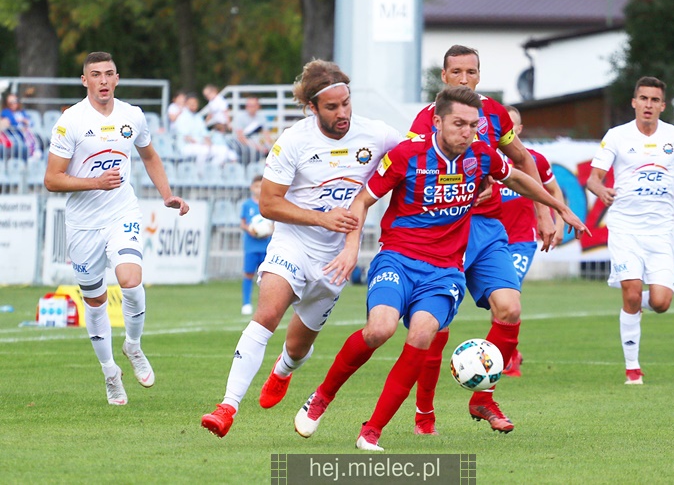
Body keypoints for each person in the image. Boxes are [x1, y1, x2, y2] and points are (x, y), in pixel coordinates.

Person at [293, 86, 589, 451]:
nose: (467, 133)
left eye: (473, 125)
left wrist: (559, 207)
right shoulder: (406, 155)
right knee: (379, 330)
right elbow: (363, 199)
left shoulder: (482, 155)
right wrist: (352, 248)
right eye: (458, 124)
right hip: (398, 259)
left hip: (445, 270)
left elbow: (517, 178)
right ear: (437, 121)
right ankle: (322, 396)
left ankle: (372, 430)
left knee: (421, 335)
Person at [200, 59, 403, 438]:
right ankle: (226, 407)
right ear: (312, 107)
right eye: (332, 107)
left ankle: (283, 370)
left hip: (335, 259)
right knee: (267, 315)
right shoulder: (293, 141)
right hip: (293, 243)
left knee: (296, 347)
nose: (342, 113)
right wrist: (322, 218)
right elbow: (269, 204)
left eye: (346, 103)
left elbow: (414, 156)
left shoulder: (377, 135)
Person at [406, 45, 557, 434]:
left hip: (488, 227)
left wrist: (544, 211)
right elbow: (417, 167)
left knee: (509, 308)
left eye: (470, 71)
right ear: (444, 76)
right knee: (436, 324)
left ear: (478, 75)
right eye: (455, 71)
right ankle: (425, 413)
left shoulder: (495, 113)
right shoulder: (427, 119)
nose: (463, 78)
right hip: (446, 228)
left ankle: (483, 399)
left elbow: (521, 159)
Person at [43, 51, 190, 405]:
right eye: (96, 75)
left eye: (109, 74)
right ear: (85, 81)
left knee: (131, 280)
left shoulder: (132, 116)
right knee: (94, 301)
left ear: (117, 78)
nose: (103, 81)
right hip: (82, 225)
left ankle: (133, 346)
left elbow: (150, 155)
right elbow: (52, 179)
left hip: (122, 212)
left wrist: (167, 194)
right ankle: (110, 372)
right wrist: (95, 182)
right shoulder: (70, 122)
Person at [586, 76, 674, 385]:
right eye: (644, 98)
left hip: (660, 231)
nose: (648, 105)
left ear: (662, 105)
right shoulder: (617, 136)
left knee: (662, 302)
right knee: (632, 291)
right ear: (634, 102)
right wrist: (600, 189)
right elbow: (593, 178)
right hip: (625, 228)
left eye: (655, 100)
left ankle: (635, 304)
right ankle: (632, 368)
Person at [497, 105, 566, 376]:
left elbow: (553, 190)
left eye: (512, 126)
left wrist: (558, 221)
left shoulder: (533, 160)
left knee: (508, 295)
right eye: (504, 126)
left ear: (520, 129)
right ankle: (511, 352)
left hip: (521, 240)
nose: (508, 130)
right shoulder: (487, 159)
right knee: (496, 301)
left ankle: (508, 359)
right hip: (491, 242)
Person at [173, 93, 236, 169]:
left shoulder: (198, 117)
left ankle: (211, 170)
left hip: (201, 145)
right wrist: (202, 143)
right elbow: (187, 138)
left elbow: (205, 134)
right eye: (190, 103)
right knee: (204, 150)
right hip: (185, 146)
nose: (193, 105)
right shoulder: (181, 117)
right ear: (186, 104)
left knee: (223, 150)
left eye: (195, 103)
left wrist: (208, 142)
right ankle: (199, 173)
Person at [239, 175, 272, 315]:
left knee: (266, 277)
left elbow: (274, 223)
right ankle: (246, 303)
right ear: (251, 188)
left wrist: (269, 230)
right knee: (248, 274)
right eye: (256, 186)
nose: (259, 189)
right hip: (251, 246)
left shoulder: (268, 204)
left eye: (261, 186)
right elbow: (242, 223)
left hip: (266, 246)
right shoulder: (247, 205)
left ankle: (264, 306)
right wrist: (250, 230)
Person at [1, 92, 41, 160]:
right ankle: (32, 154)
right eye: (10, 102)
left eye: (15, 101)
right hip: (15, 134)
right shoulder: (6, 112)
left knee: (31, 134)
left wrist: (23, 120)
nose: (13, 104)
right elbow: (13, 123)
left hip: (25, 132)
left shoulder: (21, 112)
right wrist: (22, 124)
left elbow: (31, 123)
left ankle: (34, 153)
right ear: (7, 103)